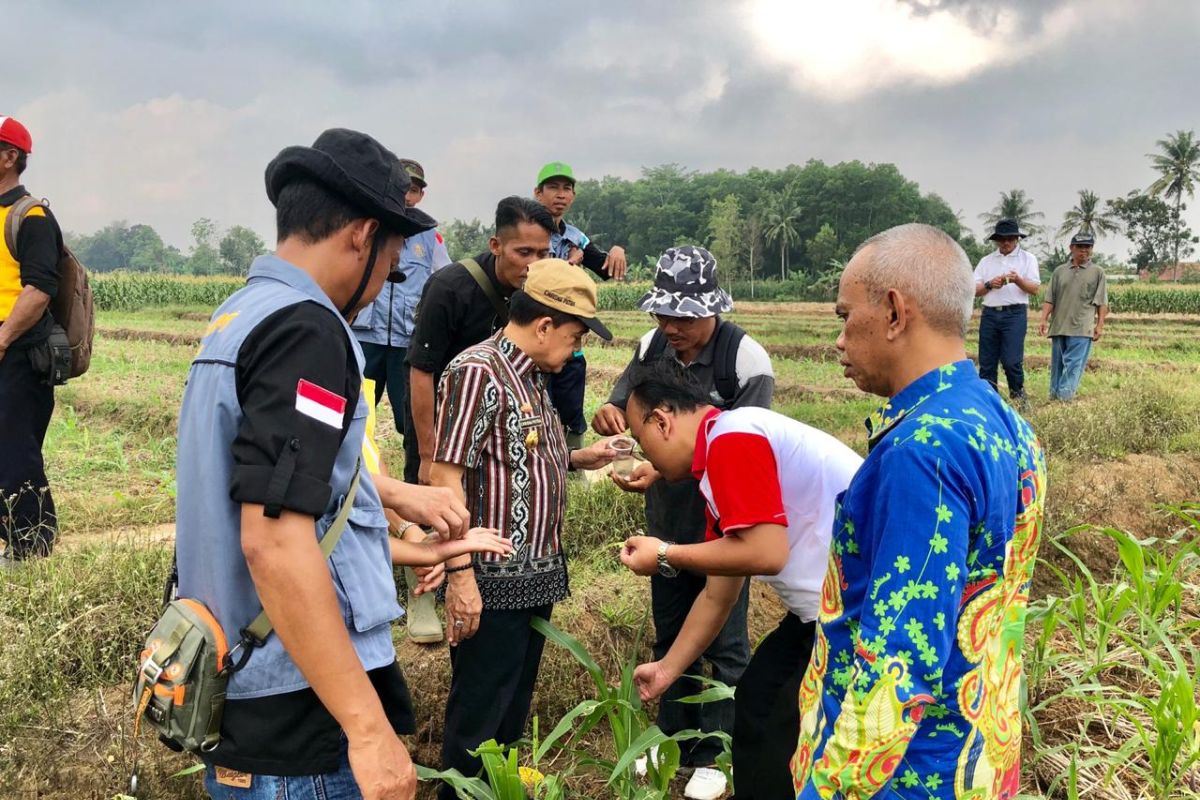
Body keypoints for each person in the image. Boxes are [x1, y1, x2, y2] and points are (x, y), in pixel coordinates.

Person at [174, 128, 475, 800]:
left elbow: (268, 473)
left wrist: (392, 494)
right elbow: (275, 539)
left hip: (242, 697)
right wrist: (369, 731)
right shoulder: (306, 329)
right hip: (299, 717)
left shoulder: (238, 316)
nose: (377, 293)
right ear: (363, 237)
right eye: (393, 265)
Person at [792, 223, 1046, 798]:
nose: (837, 340)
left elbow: (896, 667)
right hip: (980, 750)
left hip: (909, 775)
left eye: (843, 316)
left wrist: (825, 790)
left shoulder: (923, 452)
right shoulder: (1005, 422)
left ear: (893, 312)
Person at [616, 359, 862, 800]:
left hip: (856, 611)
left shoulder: (733, 438)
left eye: (640, 439)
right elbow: (718, 594)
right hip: (827, 609)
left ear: (662, 421)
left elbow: (766, 553)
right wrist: (667, 670)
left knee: (771, 718)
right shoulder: (721, 457)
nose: (643, 454)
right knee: (760, 700)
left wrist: (667, 553)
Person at [431, 259, 616, 799]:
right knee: (479, 720)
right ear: (543, 325)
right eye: (575, 336)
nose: (575, 349)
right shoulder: (477, 372)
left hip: (535, 578)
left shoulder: (533, 378)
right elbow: (446, 478)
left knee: (509, 716)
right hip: (491, 581)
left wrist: (581, 458)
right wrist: (460, 575)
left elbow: (519, 459)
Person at [594, 245, 773, 800]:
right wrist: (612, 416)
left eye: (683, 317)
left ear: (711, 310)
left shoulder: (745, 362)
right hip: (668, 520)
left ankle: (716, 749)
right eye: (662, 314)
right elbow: (624, 402)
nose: (670, 327)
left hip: (728, 523)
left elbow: (748, 454)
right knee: (671, 630)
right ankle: (672, 736)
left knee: (725, 640)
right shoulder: (651, 348)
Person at [351, 158, 453, 643]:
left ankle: (414, 529)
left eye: (415, 189)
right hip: (367, 337)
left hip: (409, 346)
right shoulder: (366, 235)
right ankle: (395, 529)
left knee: (416, 437)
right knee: (358, 431)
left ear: (421, 194)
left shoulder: (429, 240)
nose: (409, 196)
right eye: (403, 188)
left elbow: (444, 284)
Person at [407, 196, 554, 485]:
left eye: (542, 254)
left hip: (500, 419)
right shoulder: (449, 288)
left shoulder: (539, 291)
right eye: (523, 252)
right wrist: (427, 455)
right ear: (495, 245)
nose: (533, 265)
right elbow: (421, 371)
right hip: (444, 417)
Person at [0, 115, 64, 565]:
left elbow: (39, 289)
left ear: (9, 158)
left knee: (15, 449)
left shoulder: (32, 217)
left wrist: (3, 339)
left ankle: (32, 546)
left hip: (20, 355)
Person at [534, 161, 628, 449]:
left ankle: (574, 465)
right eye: (553, 188)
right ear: (538, 193)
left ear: (573, 196)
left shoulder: (576, 238)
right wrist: (566, 266)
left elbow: (607, 268)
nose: (560, 195)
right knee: (532, 406)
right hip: (533, 335)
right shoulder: (527, 232)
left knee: (571, 405)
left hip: (568, 338)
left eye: (567, 189)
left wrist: (616, 250)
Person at [973, 219, 1040, 407]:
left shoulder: (1028, 259)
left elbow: (1034, 288)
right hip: (990, 314)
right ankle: (989, 402)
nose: (1006, 242)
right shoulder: (986, 261)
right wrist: (989, 284)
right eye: (1002, 239)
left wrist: (1017, 279)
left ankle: (1018, 397)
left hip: (1014, 314)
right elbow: (973, 289)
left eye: (1010, 238)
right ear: (996, 240)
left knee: (1011, 361)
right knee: (987, 362)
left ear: (1017, 239)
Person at [1039, 232, 1108, 402]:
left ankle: (1064, 399)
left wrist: (1099, 325)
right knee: (1057, 366)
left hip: (1082, 327)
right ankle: (1053, 398)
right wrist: (1043, 319)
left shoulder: (1098, 272)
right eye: (1080, 247)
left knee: (1073, 366)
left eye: (1088, 247)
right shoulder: (1059, 271)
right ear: (1071, 248)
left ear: (1091, 249)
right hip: (1059, 326)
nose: (1083, 250)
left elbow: (1102, 302)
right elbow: (1050, 298)